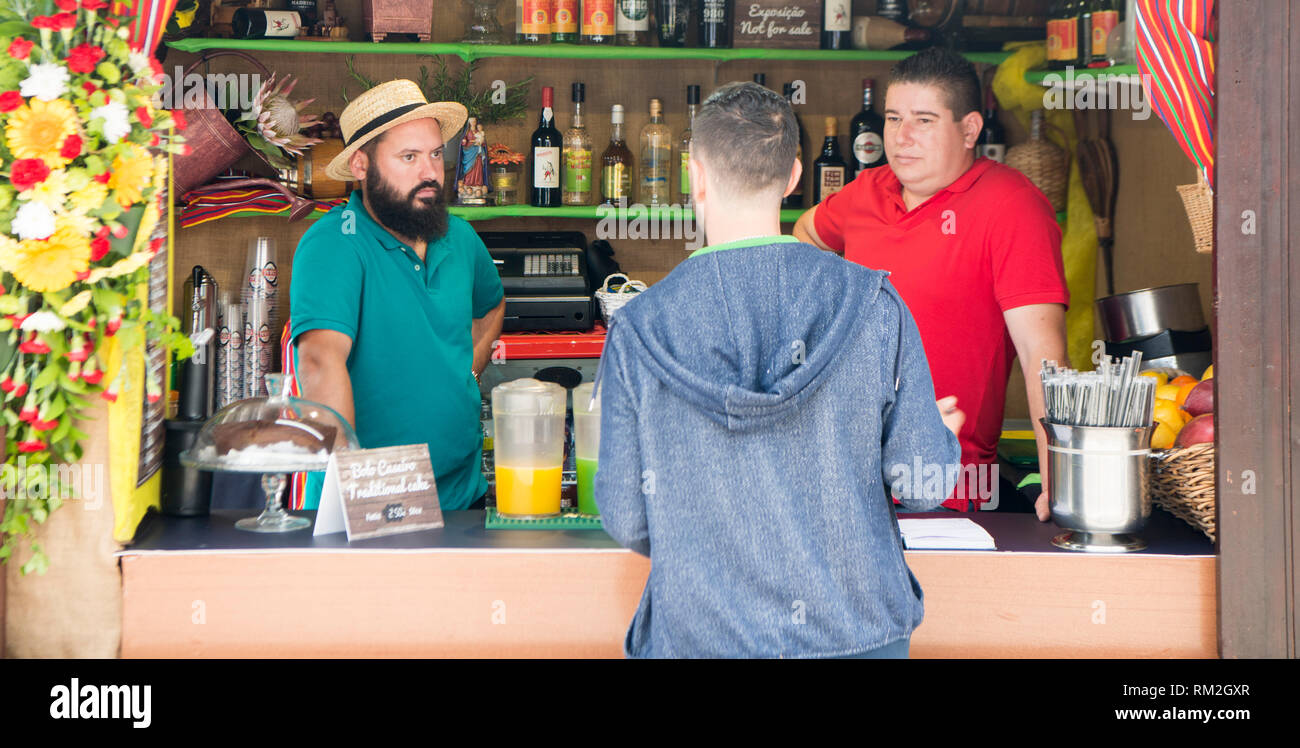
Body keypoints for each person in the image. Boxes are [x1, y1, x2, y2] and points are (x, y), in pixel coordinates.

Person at [594, 81, 962, 659]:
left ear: (696, 176)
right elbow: (920, 486)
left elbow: (625, 514)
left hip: (700, 638)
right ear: (794, 176)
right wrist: (941, 440)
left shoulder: (639, 328)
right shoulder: (873, 303)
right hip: (858, 635)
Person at [794, 48, 1069, 519]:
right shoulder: (866, 191)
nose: (902, 137)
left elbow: (1044, 360)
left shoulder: (1013, 208)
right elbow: (805, 236)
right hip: (843, 479)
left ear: (970, 129)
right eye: (894, 118)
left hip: (948, 493)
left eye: (924, 120)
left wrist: (1060, 486)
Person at [290, 80, 505, 510]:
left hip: (463, 498)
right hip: (370, 508)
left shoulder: (460, 238)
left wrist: (471, 370)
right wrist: (354, 490)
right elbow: (319, 360)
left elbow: (491, 304)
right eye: (409, 157)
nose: (430, 173)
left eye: (434, 155)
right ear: (361, 166)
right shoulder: (335, 243)